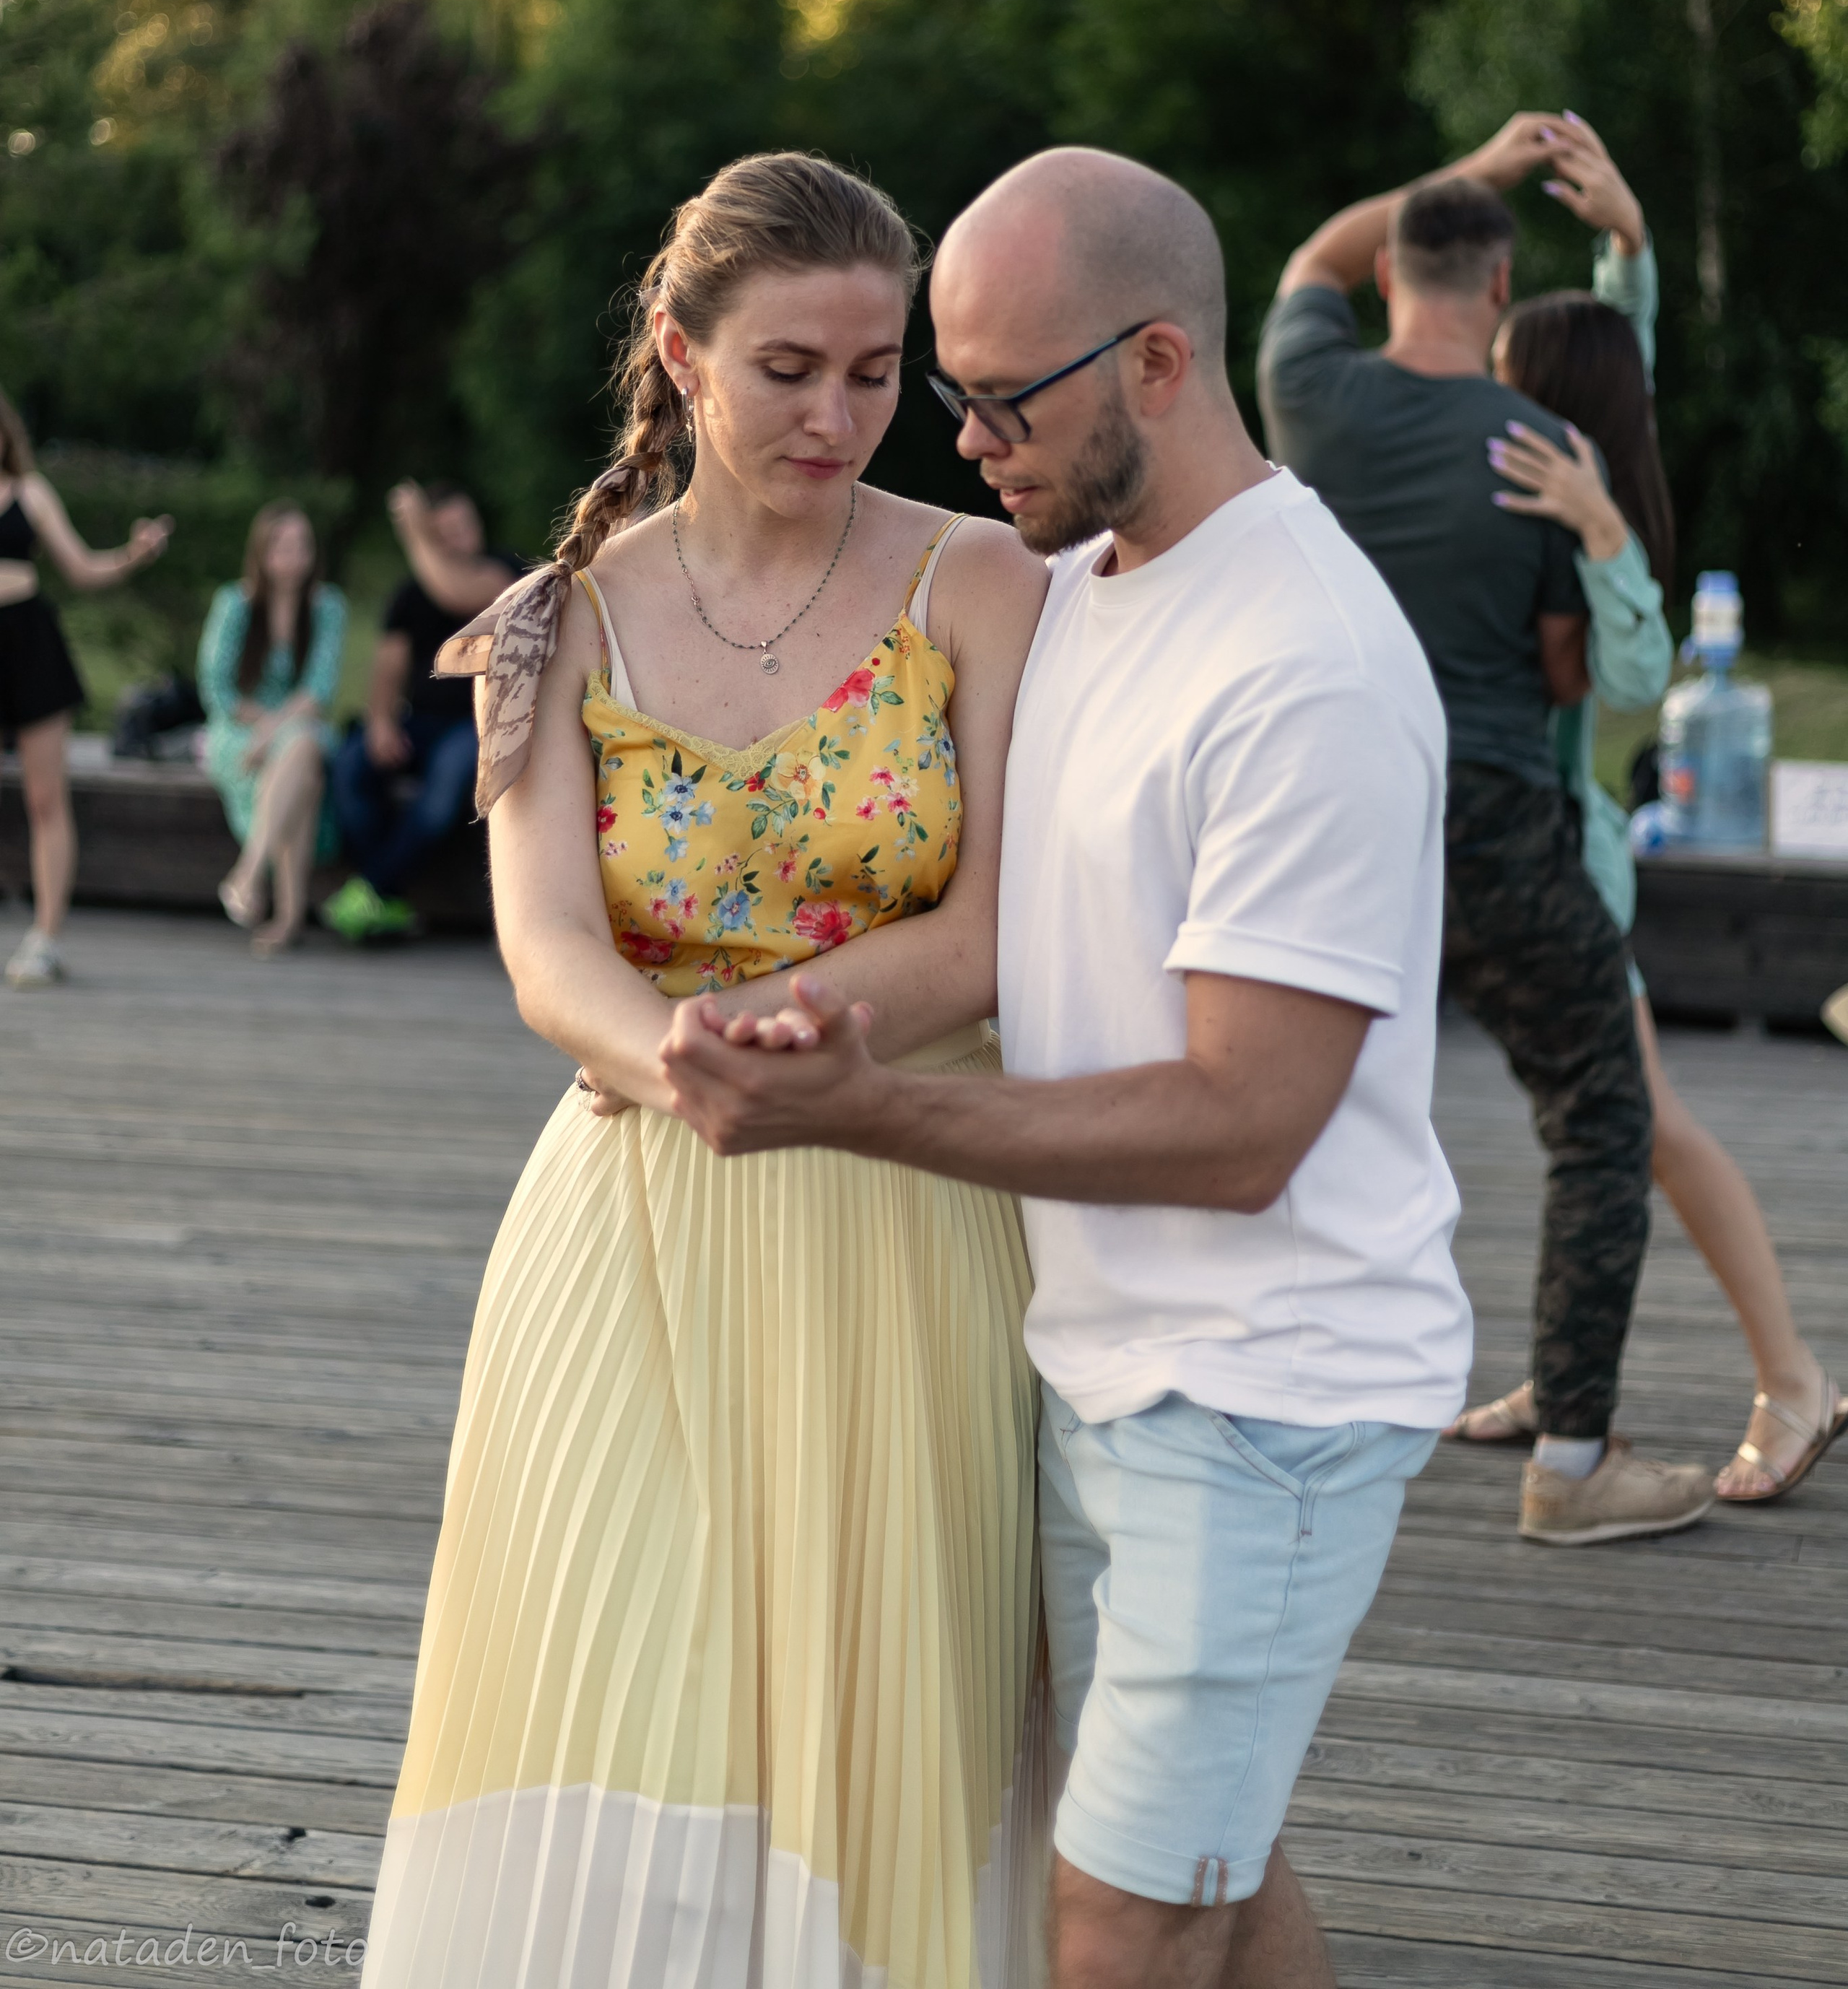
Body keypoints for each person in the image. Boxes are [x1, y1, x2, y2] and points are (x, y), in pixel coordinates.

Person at [655, 149, 1474, 1989]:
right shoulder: (1096, 580)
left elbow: (1245, 1121)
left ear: (1160, 364)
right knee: (1213, 1869)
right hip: (1113, 1355)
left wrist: (872, 1113)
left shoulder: (1303, 664)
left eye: (1000, 397)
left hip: (1263, 1389)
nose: (960, 442)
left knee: (1110, 1922)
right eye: (949, 393)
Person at [360, 154, 1051, 1989]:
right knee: (619, 1656)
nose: (837, 413)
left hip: (898, 1200)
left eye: (875, 369)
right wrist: (682, 1060)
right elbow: (545, 949)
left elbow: (992, 930)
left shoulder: (977, 580)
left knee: (878, 1684)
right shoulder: (548, 618)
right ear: (677, 353)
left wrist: (792, 1043)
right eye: (787, 368)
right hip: (631, 1207)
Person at [1257, 113, 1713, 1546]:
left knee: (1282, 1114)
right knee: (1597, 1118)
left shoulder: (1307, 391)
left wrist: (1479, 164)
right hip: (1495, 826)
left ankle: (1260, 1423)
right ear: (1502, 291)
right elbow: (1577, 673)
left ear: (1390, 277)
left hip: (1322, 818)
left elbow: (1308, 256)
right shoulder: (1541, 446)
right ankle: (1569, 1467)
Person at [1455, 115, 1845, 1504]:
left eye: (1501, 383)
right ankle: (1566, 1374)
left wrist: (1604, 534)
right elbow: (1625, 361)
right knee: (1598, 1127)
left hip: (1570, 874)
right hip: (1534, 868)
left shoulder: (1584, 510)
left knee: (1645, 1125)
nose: (1476, 402)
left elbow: (1633, 671)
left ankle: (1793, 1383)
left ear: (1551, 408)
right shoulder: (1554, 467)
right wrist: (1625, 239)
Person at [0, 390, 172, 988]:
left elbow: (81, 568)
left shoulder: (31, 493)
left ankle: (45, 938)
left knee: (47, 799)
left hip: (28, 644)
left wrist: (134, 554)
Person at [322, 482, 515, 941]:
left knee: (442, 792)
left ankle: (370, 889)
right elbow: (388, 665)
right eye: (444, 531)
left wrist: (413, 531)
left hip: (480, 724)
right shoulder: (411, 593)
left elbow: (458, 593)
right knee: (351, 768)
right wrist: (380, 722)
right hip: (421, 721)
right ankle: (385, 901)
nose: (458, 538)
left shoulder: (504, 572)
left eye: (465, 526)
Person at [198, 504, 347, 957]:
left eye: (303, 544)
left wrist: (276, 731)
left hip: (300, 726)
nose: (294, 555)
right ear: (261, 553)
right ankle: (289, 917)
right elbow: (218, 687)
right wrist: (264, 729)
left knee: (300, 746)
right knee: (303, 775)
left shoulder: (327, 607)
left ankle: (249, 873)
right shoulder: (234, 603)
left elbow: (317, 690)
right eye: (282, 545)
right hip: (239, 730)